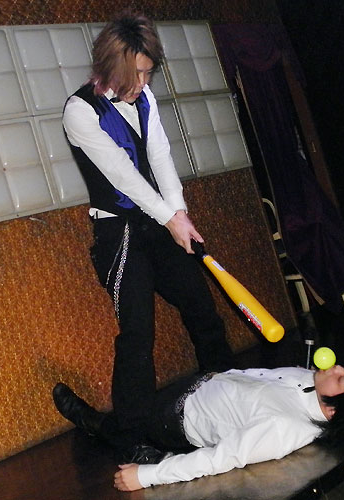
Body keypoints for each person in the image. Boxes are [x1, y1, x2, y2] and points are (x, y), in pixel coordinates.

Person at [61, 12, 234, 459]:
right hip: (117, 231)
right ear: (110, 66)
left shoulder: (145, 97)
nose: (142, 82)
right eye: (135, 73)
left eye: (147, 72)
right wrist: (169, 219)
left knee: (200, 304)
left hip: (156, 222)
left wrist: (179, 213)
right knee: (138, 333)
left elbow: (159, 155)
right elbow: (122, 175)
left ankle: (229, 389)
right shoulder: (80, 110)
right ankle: (133, 436)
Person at [52, 364, 344, 491]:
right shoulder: (313, 384)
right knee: (139, 410)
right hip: (200, 386)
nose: (336, 367)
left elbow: (220, 459)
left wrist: (147, 476)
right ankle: (138, 443)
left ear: (333, 412)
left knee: (125, 421)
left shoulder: (284, 428)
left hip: (178, 419)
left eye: (342, 378)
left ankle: (92, 422)